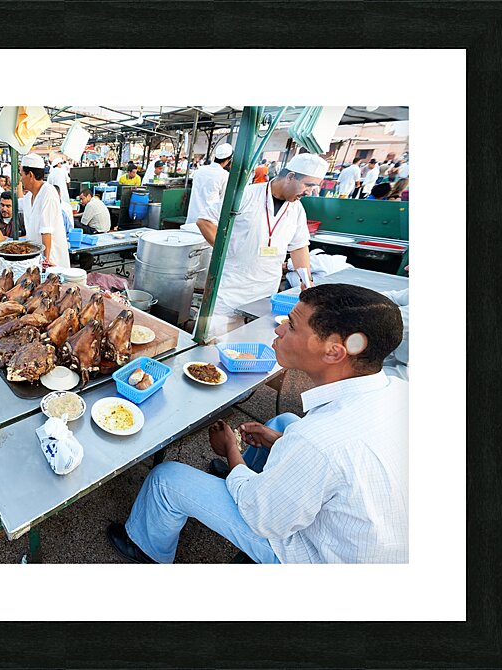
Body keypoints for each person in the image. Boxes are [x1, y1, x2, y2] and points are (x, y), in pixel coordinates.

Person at [107, 283, 408, 564]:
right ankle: (241, 476)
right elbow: (331, 462)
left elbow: (263, 516)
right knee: (286, 421)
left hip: (323, 557)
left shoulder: (317, 442)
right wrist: (282, 442)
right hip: (381, 538)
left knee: (166, 478)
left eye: (291, 325)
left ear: (333, 351)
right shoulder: (398, 390)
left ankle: (147, 548)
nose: (278, 329)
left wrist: (232, 452)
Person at [186, 152, 324, 337]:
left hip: (266, 289)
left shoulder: (297, 209)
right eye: (308, 185)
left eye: (314, 187)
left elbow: (299, 246)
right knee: (212, 338)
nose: (309, 192)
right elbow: (205, 221)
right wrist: (227, 251)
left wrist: (306, 280)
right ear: (290, 176)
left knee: (246, 341)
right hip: (232, 287)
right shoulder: (247, 195)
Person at [18, 154, 70, 267]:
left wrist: (46, 259)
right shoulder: (28, 197)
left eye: (21, 174)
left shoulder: (48, 192)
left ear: (30, 175)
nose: (21, 179)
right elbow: (16, 204)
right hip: (35, 256)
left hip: (51, 258)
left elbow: (46, 230)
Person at [185, 143, 233, 228]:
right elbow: (223, 199)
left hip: (192, 218)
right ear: (227, 160)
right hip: (208, 221)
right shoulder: (224, 175)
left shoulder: (199, 171)